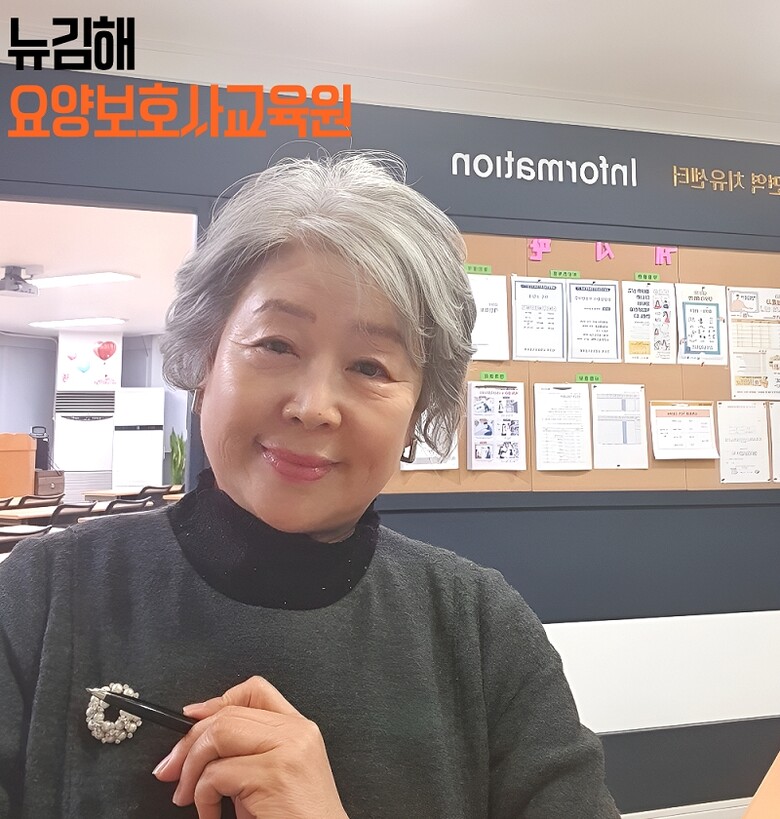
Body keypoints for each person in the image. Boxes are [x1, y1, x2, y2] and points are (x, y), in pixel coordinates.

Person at [0, 153, 620, 818]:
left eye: (369, 366)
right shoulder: (43, 597)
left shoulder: (479, 630)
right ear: (205, 357)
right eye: (276, 344)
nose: (313, 406)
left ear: (417, 411)